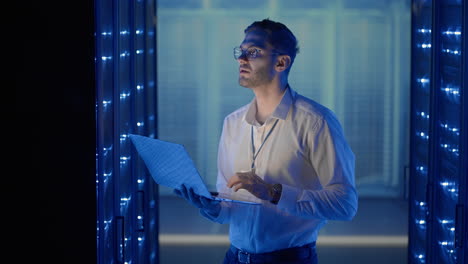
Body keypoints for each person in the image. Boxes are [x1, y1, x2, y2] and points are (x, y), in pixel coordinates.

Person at [175, 18, 358, 264]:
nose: (242, 58)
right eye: (241, 51)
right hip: (234, 258)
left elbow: (345, 205)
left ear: (282, 62)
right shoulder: (232, 123)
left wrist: (272, 192)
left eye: (253, 52)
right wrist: (211, 206)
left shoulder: (316, 122)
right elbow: (231, 205)